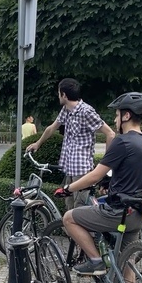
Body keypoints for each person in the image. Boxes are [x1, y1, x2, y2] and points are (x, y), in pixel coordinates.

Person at [55, 92, 142, 275]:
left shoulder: (121, 141)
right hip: (137, 212)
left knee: (69, 217)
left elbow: (94, 175)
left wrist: (68, 189)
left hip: (117, 212)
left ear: (126, 115)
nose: (115, 119)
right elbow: (131, 170)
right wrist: (110, 181)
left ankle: (95, 260)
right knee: (127, 261)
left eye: (117, 115)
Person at [26, 78, 115, 209]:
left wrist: (105, 165)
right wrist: (37, 144)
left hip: (82, 171)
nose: (58, 96)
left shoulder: (86, 111)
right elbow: (51, 128)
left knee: (80, 211)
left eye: (58, 93)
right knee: (69, 208)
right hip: (69, 169)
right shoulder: (66, 110)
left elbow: (110, 133)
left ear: (64, 95)